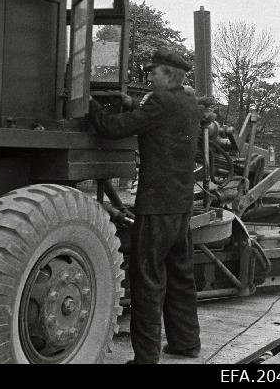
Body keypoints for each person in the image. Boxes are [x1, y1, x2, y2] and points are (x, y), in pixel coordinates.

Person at [88, 48, 212, 364]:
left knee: (148, 280)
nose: (149, 76)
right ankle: (186, 343)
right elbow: (156, 121)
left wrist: (87, 102)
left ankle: (145, 359)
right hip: (180, 205)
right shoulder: (187, 102)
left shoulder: (160, 102)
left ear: (168, 74)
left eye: (153, 72)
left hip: (156, 206)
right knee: (180, 276)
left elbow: (113, 129)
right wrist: (132, 105)